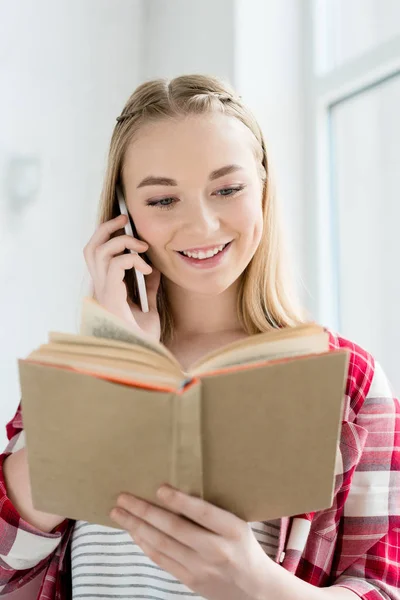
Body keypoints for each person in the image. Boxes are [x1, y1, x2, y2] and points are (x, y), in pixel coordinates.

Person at [0, 74, 398, 600]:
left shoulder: (349, 379)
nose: (203, 225)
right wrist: (112, 364)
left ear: (262, 186)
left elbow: (380, 586)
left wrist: (255, 584)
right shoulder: (80, 373)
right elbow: (10, 567)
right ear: (124, 214)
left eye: (228, 189)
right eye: (164, 200)